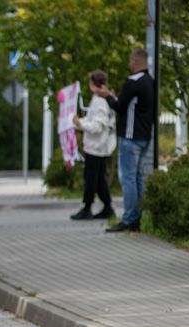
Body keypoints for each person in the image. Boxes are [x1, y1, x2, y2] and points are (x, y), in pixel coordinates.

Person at [96, 49, 154, 232]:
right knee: (137, 178)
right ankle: (136, 218)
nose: (129, 64)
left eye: (130, 61)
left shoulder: (133, 82)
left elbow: (120, 106)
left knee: (128, 178)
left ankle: (129, 219)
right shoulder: (150, 82)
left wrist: (108, 96)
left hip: (130, 137)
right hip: (144, 136)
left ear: (135, 62)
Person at [71, 70, 117, 220]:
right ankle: (107, 206)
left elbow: (97, 126)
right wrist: (81, 123)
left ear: (93, 85)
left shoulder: (99, 102)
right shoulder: (103, 100)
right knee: (99, 179)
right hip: (100, 146)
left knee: (91, 178)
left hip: (96, 147)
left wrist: (81, 124)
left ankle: (87, 207)